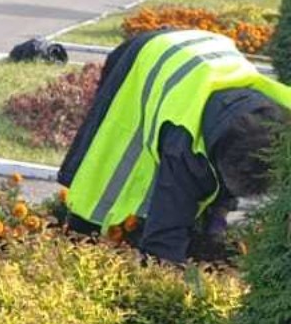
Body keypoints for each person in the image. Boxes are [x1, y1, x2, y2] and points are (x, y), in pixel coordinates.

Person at [58, 28, 291, 264]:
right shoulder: (185, 146)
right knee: (109, 160)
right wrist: (166, 286)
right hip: (144, 59)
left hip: (202, 50)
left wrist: (215, 228)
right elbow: (163, 240)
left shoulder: (280, 125)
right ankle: (79, 233)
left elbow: (230, 178)